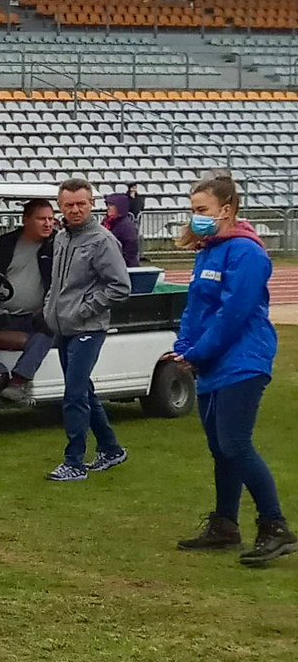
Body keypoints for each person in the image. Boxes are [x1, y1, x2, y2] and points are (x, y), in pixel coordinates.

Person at [169, 173, 292, 565]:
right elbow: (196, 307)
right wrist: (184, 346)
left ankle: (275, 525)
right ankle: (225, 524)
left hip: (243, 360)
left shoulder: (247, 253)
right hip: (213, 361)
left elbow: (233, 314)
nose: (196, 218)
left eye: (201, 211)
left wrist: (199, 352)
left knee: (236, 444)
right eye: (193, 211)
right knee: (220, 448)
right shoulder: (209, 249)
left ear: (226, 209)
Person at [42, 179, 131, 482]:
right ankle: (110, 448)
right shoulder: (62, 238)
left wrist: (85, 308)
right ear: (61, 206)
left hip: (87, 327)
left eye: (81, 203)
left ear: (92, 203)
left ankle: (75, 462)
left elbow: (120, 286)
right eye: (69, 205)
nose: (75, 210)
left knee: (74, 393)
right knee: (83, 391)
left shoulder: (102, 241)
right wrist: (50, 306)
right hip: (64, 325)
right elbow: (57, 283)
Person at [0, 199, 57, 404]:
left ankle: (19, 381)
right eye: (41, 219)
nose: (48, 224)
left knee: (50, 326)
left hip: (38, 317)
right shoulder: (6, 244)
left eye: (51, 219)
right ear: (26, 220)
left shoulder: (58, 245)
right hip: (3, 315)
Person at [103, 192, 141, 267]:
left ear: (119, 207)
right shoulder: (107, 222)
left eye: (111, 205)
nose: (108, 208)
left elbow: (130, 251)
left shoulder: (127, 226)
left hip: (124, 267)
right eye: (107, 205)